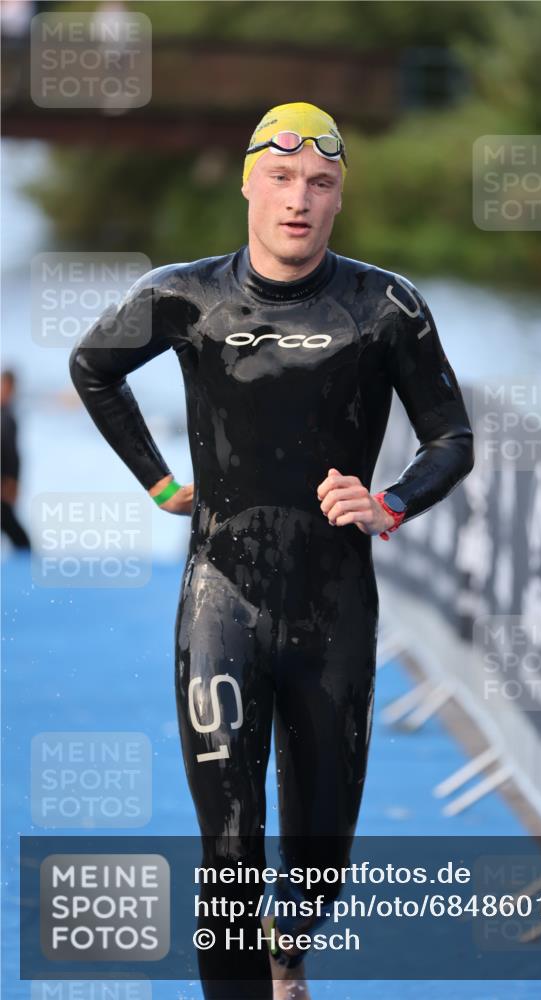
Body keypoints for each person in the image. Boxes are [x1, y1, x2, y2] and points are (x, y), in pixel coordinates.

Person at [69, 102, 474, 1000]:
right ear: (250, 182)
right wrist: (161, 483)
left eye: (319, 184)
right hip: (221, 595)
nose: (299, 200)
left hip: (334, 607)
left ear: (339, 199)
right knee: (227, 854)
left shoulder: (384, 306)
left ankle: (287, 950)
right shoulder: (185, 298)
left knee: (320, 856)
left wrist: (390, 503)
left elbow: (451, 439)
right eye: (282, 179)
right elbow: (93, 369)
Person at [1, 368, 31, 551]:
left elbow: (12, 453)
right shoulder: (5, 417)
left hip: (5, 483)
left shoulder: (8, 416)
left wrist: (12, 481)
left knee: (17, 535)